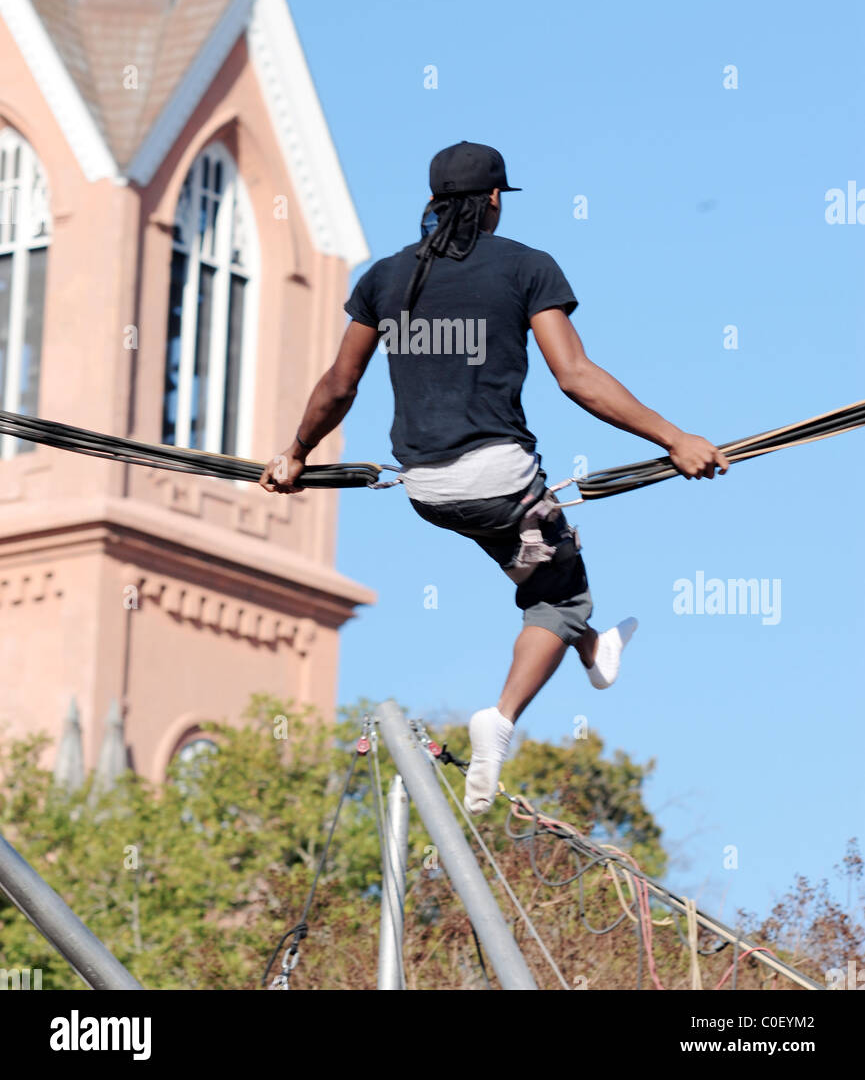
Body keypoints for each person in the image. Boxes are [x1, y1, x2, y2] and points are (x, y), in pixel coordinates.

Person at [259, 141, 729, 813]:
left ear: (430, 203)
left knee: (546, 577)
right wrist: (674, 438)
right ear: (492, 201)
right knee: (560, 602)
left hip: (425, 489)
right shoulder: (525, 268)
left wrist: (295, 453)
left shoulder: (383, 279)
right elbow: (578, 378)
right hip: (501, 483)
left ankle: (594, 649)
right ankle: (502, 716)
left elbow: (339, 384)